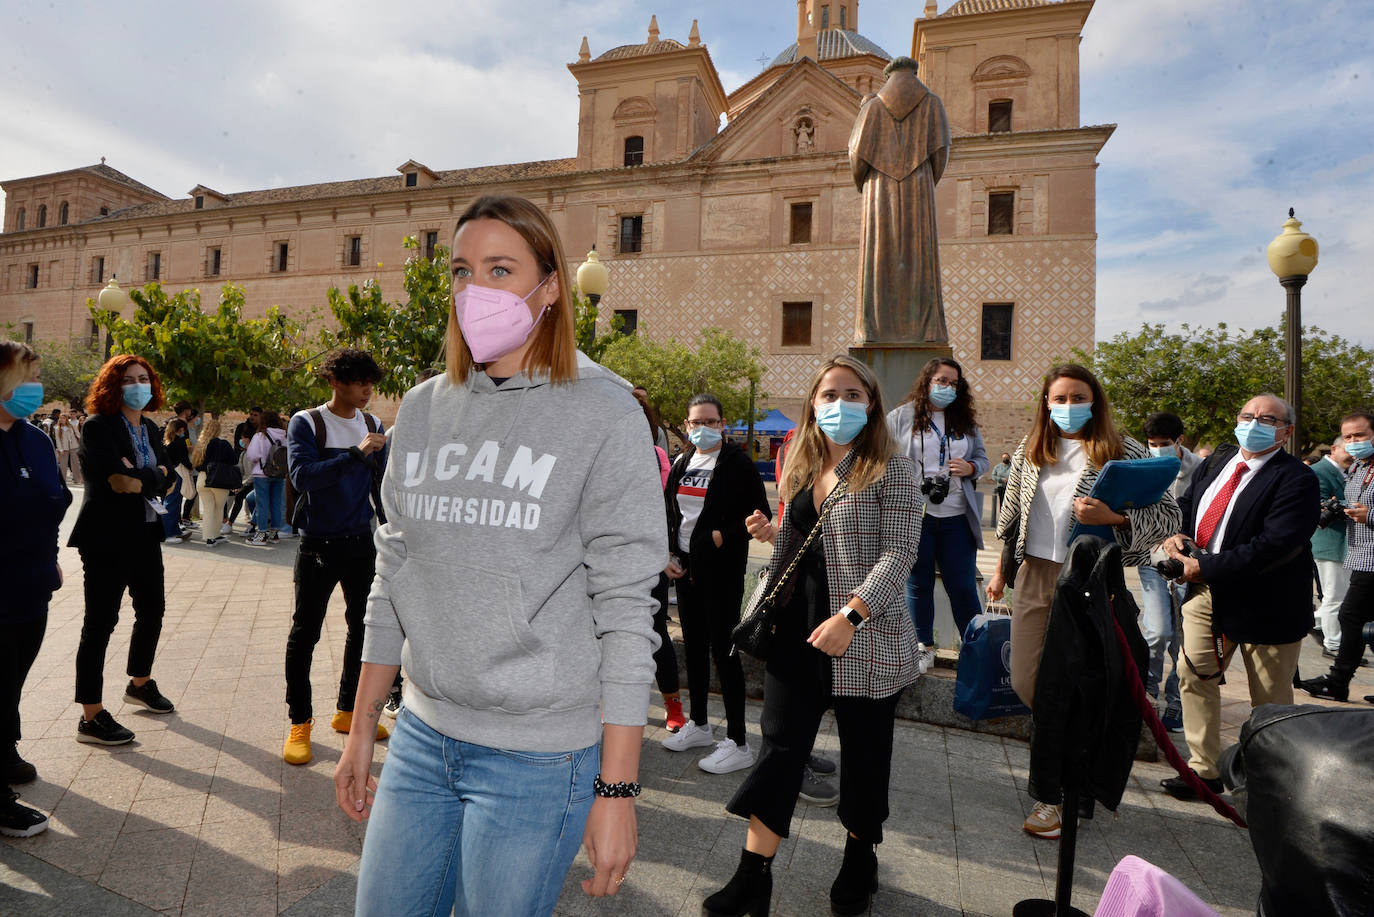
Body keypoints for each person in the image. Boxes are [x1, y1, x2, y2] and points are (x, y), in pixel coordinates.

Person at [335, 194, 664, 914]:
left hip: (539, 759)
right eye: (460, 269)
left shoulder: (604, 410)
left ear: (548, 289)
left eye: (500, 267)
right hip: (421, 735)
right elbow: (392, 577)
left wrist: (617, 791)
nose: (473, 289)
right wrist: (363, 727)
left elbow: (626, 614)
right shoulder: (420, 410)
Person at [703, 355, 920, 917]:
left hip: (862, 634)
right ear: (813, 402)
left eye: (852, 394)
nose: (839, 404)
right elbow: (799, 548)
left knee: (866, 756)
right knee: (778, 751)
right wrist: (774, 533)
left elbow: (900, 553)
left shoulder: (892, 467)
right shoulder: (799, 462)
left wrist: (853, 615)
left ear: (870, 403)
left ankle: (859, 860)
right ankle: (753, 877)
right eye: (829, 394)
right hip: (794, 630)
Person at [987, 364, 1178, 838]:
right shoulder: (1034, 451)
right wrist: (1001, 569)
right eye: (1060, 398)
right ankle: (1072, 772)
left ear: (1095, 401)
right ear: (1046, 404)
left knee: (1075, 683)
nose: (1069, 407)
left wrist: (1115, 518)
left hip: (1090, 578)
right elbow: (1011, 515)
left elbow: (1168, 513)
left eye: (1078, 397)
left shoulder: (1122, 450)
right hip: (1033, 574)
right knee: (1031, 681)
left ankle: (1057, 795)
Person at [1159, 394, 1319, 801]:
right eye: (1248, 416)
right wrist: (1176, 532)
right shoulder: (1217, 461)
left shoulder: (1296, 478)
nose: (1255, 423)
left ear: (1287, 431)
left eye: (1267, 419)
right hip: (1207, 595)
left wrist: (1205, 567)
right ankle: (1204, 770)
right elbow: (1187, 504)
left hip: (1269, 603)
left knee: (1269, 700)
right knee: (1193, 674)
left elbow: (1276, 544)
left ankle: (1269, 783)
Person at [281, 348, 393, 765]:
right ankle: (299, 721)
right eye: (358, 381)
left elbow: (380, 486)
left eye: (370, 382)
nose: (366, 390)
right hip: (318, 544)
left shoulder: (373, 424)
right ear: (334, 382)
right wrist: (354, 455)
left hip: (360, 542)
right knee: (304, 633)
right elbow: (303, 476)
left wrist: (391, 529)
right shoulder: (307, 422)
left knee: (362, 630)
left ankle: (347, 711)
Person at [69, 355, 178, 747]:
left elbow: (170, 477)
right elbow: (118, 481)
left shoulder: (149, 428)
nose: (138, 385)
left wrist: (147, 477)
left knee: (152, 611)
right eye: (129, 379)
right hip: (106, 539)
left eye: (143, 378)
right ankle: (91, 715)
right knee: (100, 623)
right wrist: (153, 476)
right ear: (113, 386)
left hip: (146, 533)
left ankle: (140, 682)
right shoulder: (99, 427)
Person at [661, 392, 771, 775]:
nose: (703, 428)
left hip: (721, 572)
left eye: (711, 421)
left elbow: (759, 516)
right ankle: (700, 725)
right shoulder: (681, 462)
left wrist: (720, 537)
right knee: (692, 647)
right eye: (696, 422)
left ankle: (738, 741)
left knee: (725, 652)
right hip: (686, 571)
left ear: (722, 425)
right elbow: (670, 513)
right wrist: (670, 555)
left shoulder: (737, 464)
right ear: (686, 426)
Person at [0, 342, 71, 837]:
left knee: (12, 678)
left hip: (33, 578)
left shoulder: (35, 438)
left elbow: (55, 498)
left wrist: (50, 561)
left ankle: (4, 750)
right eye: (28, 377)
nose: (36, 388)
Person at [886, 357, 988, 671]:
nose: (947, 387)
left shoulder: (965, 421)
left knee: (962, 585)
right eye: (941, 380)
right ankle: (923, 647)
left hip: (957, 516)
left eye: (953, 383)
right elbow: (883, 457)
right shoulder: (901, 417)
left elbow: (983, 459)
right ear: (927, 380)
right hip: (918, 516)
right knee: (918, 584)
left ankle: (976, 649)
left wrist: (971, 467)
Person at [1299, 411, 1374, 702]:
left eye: (1361, 436)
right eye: (1349, 437)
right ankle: (1337, 681)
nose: (1354, 441)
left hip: (1371, 558)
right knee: (1358, 618)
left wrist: (1369, 515)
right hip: (1359, 553)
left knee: (1350, 615)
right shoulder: (1358, 467)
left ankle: (1337, 681)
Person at [1138, 411, 1203, 732]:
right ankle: (1148, 692)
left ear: (1180, 441)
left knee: (1183, 637)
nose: (1157, 449)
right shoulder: (1143, 465)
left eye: (1164, 444)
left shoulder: (1202, 471)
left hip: (1188, 564)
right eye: (1152, 444)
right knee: (1157, 631)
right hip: (1151, 560)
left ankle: (1175, 701)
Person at [643, 399, 686, 734]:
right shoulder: (602, 456)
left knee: (656, 632)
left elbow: (668, 514)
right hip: (608, 562)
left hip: (651, 560)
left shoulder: (657, 458)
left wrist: (667, 555)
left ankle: (673, 705)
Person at [1309, 435, 1353, 656]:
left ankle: (1314, 622)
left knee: (1338, 596)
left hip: (1342, 544)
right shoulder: (1319, 471)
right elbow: (1319, 507)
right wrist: (1349, 506)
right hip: (1328, 543)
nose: (1352, 454)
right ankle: (1334, 644)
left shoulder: (1346, 471)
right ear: (1334, 449)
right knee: (1335, 597)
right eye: (1348, 448)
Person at [244, 410, 286, 544]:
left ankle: (261, 534)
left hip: (262, 473)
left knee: (262, 504)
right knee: (277, 503)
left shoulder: (260, 435)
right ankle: (274, 534)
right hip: (279, 473)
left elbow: (252, 455)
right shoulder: (285, 435)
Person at [192, 416, 235, 546]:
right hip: (219, 479)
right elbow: (234, 461)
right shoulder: (224, 444)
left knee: (208, 508)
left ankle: (208, 537)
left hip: (202, 478)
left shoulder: (201, 445)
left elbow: (196, 464)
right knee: (218, 508)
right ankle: (214, 535)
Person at [160, 418, 192, 543]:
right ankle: (167, 534)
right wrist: (191, 466)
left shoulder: (166, 441)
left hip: (166, 473)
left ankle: (174, 530)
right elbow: (183, 459)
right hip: (177, 473)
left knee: (170, 502)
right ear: (181, 429)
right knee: (172, 503)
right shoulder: (179, 442)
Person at [633, 385, 670, 453]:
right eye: (637, 397)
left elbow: (663, 459)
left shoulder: (657, 432)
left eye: (644, 397)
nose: (641, 401)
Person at [52, 409, 80, 483]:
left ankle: (77, 479)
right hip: (63, 449)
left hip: (74, 446)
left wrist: (81, 444)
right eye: (60, 418)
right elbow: (57, 440)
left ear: (66, 419)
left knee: (75, 463)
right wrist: (60, 449)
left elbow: (78, 435)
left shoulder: (72, 426)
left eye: (63, 418)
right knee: (63, 465)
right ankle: (62, 480)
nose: (61, 419)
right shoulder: (57, 428)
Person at [991, 451, 1011, 521]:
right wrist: (1001, 479)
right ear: (1002, 459)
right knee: (1002, 501)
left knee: (1009, 503)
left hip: (1010, 488)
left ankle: (1009, 516)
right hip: (1001, 487)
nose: (1006, 459)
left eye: (1007, 458)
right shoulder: (997, 467)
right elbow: (993, 476)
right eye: (1004, 458)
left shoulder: (1012, 467)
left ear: (1009, 458)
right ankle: (1002, 517)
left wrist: (1009, 480)